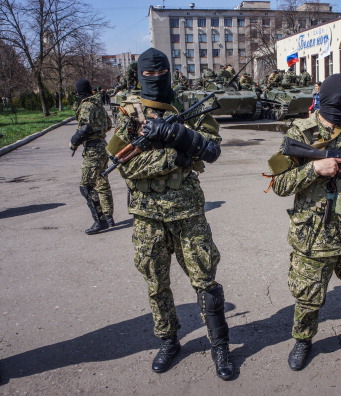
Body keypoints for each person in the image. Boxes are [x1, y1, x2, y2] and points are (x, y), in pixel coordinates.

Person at [106, 48, 234, 379]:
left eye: (160, 72)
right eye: (147, 74)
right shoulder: (128, 113)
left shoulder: (190, 107)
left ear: (169, 72)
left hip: (187, 210)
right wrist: (175, 158)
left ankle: (220, 346)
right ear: (138, 75)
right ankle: (168, 340)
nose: (154, 79)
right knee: (155, 280)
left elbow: (212, 150)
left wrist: (178, 134)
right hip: (146, 214)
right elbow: (125, 166)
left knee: (205, 279)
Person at [267, 73, 341, 371]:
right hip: (313, 234)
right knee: (308, 295)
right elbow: (278, 184)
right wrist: (314, 169)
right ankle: (303, 340)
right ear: (337, 99)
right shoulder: (300, 133)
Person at [69, 78, 115, 235]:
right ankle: (108, 216)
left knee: (86, 186)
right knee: (102, 182)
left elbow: (86, 128)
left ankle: (100, 221)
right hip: (102, 146)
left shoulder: (87, 105)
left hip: (94, 149)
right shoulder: (97, 104)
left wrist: (74, 141)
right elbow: (108, 124)